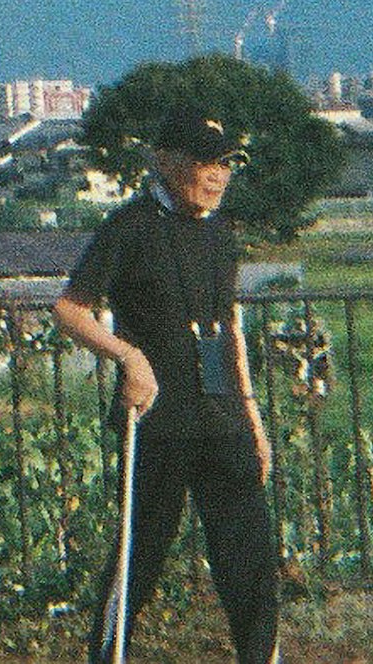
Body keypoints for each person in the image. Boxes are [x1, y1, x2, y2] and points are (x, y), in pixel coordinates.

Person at [55, 113, 278, 664]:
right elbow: (69, 309)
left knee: (250, 553)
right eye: (207, 163)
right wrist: (128, 357)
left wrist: (252, 417)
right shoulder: (129, 227)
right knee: (142, 551)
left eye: (225, 164)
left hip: (222, 415)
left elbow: (230, 325)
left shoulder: (220, 232)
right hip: (157, 418)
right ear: (167, 161)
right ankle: (108, 656)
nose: (218, 176)